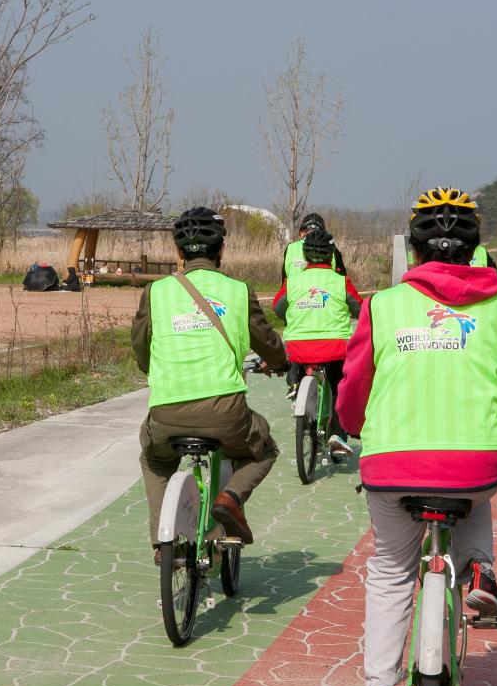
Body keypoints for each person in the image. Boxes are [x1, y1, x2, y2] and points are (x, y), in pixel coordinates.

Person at [337, 187, 497, 686]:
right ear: (476, 248)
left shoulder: (381, 306)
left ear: (413, 248)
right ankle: (478, 573)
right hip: (474, 465)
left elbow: (354, 388)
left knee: (390, 570)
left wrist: (354, 427)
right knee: (476, 485)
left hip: (389, 468)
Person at [132, 207, 289, 564]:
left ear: (179, 253)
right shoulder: (237, 291)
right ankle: (230, 497)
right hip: (226, 414)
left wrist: (152, 367)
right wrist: (280, 363)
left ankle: (163, 545)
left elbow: (141, 348)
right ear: (221, 250)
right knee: (264, 447)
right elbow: (266, 342)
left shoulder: (156, 292)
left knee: (155, 458)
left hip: (166, 412)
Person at [273, 228, 363, 457]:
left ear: (304, 254)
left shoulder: (293, 282)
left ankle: (296, 387)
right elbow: (360, 309)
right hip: (335, 348)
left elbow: (277, 308)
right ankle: (337, 435)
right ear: (331, 254)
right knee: (338, 386)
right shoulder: (341, 281)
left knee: (300, 364)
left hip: (299, 348)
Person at [281, 212, 346, 284]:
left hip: (296, 292)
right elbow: (342, 280)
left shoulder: (290, 248)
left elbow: (285, 279)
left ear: (301, 233)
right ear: (323, 233)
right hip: (325, 292)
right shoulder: (332, 249)